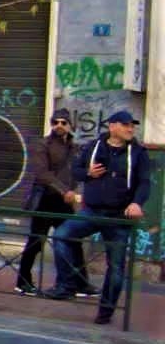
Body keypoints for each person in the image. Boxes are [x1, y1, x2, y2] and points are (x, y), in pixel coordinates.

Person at [43, 111, 150, 326]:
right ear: (112, 126)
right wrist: (88, 173)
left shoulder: (138, 153)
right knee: (61, 235)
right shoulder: (93, 147)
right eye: (126, 125)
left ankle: (106, 311)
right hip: (91, 212)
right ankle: (67, 285)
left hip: (118, 217)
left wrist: (137, 203)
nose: (131, 129)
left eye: (132, 126)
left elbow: (144, 182)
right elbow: (76, 171)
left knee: (116, 267)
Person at [17, 108, 94, 297]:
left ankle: (81, 284)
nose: (59, 125)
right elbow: (43, 174)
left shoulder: (75, 147)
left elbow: (78, 171)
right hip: (45, 198)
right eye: (55, 122)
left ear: (70, 125)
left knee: (74, 241)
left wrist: (75, 190)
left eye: (63, 122)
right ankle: (23, 282)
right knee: (36, 241)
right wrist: (64, 190)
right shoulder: (41, 144)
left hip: (64, 202)